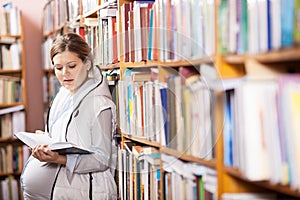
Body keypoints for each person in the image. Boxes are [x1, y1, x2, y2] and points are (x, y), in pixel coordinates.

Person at [20, 32, 118, 199]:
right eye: (58, 68)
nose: (65, 73)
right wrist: (46, 141)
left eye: (72, 66)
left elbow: (102, 159)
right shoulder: (65, 95)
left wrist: (59, 158)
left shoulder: (99, 104)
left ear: (87, 63)